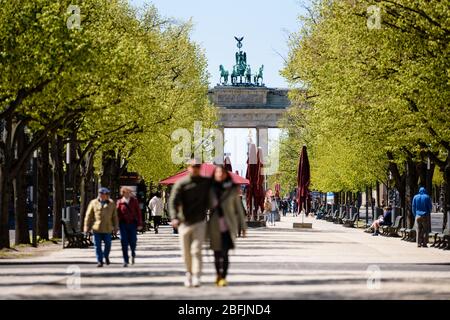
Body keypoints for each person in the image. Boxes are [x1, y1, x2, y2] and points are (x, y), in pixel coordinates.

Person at [169, 159, 212, 288]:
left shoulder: (206, 183)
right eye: (193, 166)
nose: (195, 169)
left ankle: (197, 276)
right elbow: (172, 202)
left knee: (196, 250)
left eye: (198, 166)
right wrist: (174, 217)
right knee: (186, 252)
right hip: (184, 223)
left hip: (199, 221)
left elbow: (213, 200)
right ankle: (189, 273)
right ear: (188, 168)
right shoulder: (181, 183)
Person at [208, 165, 247, 287]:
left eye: (222, 172)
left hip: (228, 227)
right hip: (214, 227)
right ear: (214, 174)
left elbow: (239, 210)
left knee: (225, 254)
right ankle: (218, 275)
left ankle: (223, 277)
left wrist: (243, 227)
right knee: (216, 254)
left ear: (225, 174)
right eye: (217, 172)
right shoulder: (210, 189)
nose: (220, 174)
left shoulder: (232, 189)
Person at [83, 188, 119, 267]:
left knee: (108, 245)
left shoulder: (111, 203)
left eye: (106, 195)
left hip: (107, 228)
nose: (104, 196)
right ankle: (100, 261)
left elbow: (115, 217)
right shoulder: (93, 203)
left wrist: (116, 227)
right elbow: (88, 216)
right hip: (97, 228)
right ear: (100, 194)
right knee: (97, 246)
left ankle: (106, 256)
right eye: (102, 194)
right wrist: (86, 227)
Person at [116, 187, 143, 267]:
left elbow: (138, 213)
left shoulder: (134, 201)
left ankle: (133, 253)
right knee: (123, 241)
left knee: (133, 241)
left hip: (132, 224)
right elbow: (117, 214)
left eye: (129, 192)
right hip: (123, 224)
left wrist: (140, 224)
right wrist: (116, 225)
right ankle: (125, 260)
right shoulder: (120, 202)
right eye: (126, 192)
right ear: (123, 193)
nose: (128, 194)